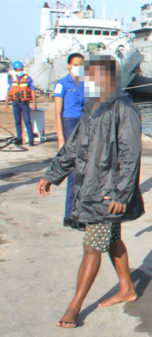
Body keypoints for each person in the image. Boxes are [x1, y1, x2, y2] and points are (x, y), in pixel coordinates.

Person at [37, 54, 145, 328]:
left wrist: (121, 194)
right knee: (111, 239)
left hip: (108, 194)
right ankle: (127, 288)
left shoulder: (124, 108)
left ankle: (74, 307)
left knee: (92, 246)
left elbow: (131, 154)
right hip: (93, 188)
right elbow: (73, 146)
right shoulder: (92, 106)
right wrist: (52, 174)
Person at [54, 53, 87, 228]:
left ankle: (77, 213)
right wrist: (61, 139)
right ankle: (72, 216)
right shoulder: (62, 84)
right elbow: (57, 113)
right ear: (68, 65)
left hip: (85, 125)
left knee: (84, 172)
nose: (78, 67)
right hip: (70, 124)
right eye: (75, 64)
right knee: (75, 172)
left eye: (81, 64)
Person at [5, 61, 37, 146]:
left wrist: (34, 103)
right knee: (17, 121)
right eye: (17, 69)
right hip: (15, 102)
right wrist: (6, 103)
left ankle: (31, 139)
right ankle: (19, 138)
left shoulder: (28, 78)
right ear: (15, 70)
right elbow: (9, 91)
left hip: (24, 103)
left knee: (27, 121)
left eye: (20, 69)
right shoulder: (12, 79)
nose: (19, 71)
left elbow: (33, 91)